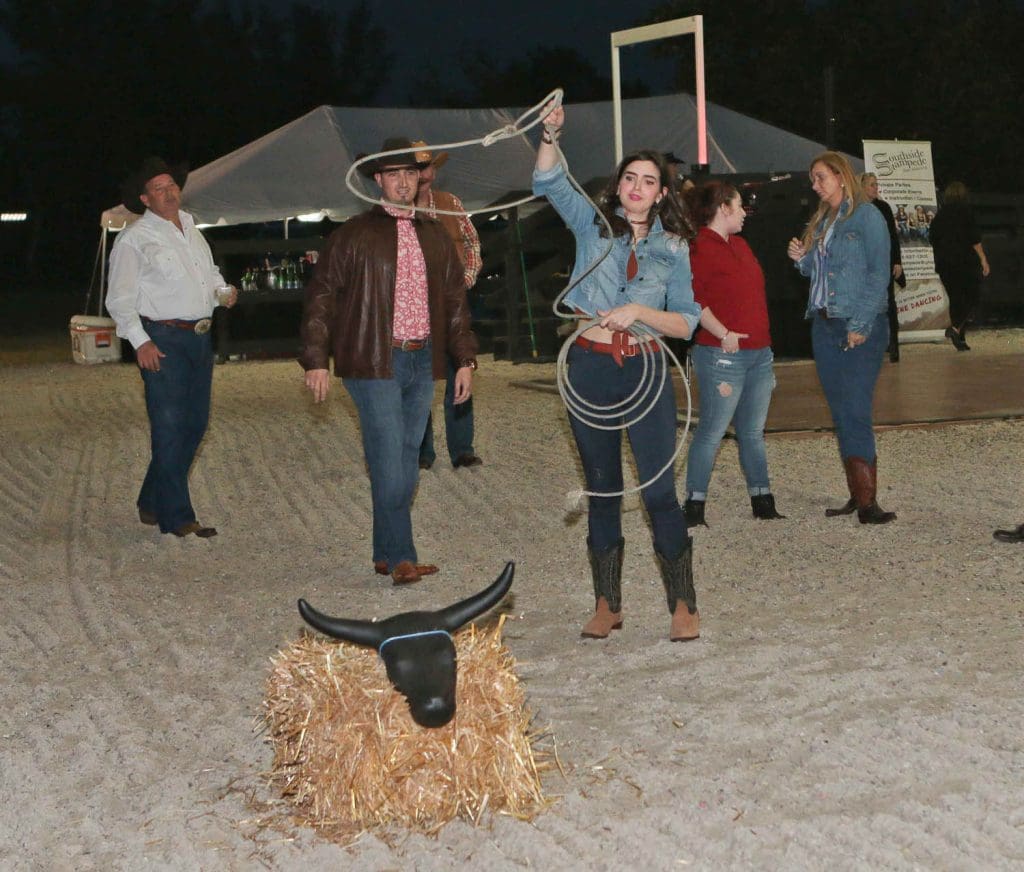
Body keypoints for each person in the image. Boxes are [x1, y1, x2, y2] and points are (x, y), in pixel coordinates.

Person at [534, 104, 703, 642]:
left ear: (661, 193)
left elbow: (686, 321)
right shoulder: (592, 227)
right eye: (630, 177)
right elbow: (549, 180)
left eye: (648, 181)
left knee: (658, 492)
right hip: (589, 368)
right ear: (618, 185)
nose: (637, 187)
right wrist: (550, 134)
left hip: (646, 371)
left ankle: (684, 604)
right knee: (602, 489)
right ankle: (607, 604)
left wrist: (639, 312)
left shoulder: (674, 248)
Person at [299, 137, 478, 586]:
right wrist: (316, 358)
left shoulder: (435, 235)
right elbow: (322, 297)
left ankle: (384, 552)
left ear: (420, 178)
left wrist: (465, 359)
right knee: (390, 460)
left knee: (404, 456)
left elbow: (455, 302)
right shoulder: (352, 235)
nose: (403, 182)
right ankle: (402, 557)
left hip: (423, 359)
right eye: (394, 174)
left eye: (410, 173)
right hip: (372, 359)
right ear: (378, 179)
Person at [106, 156, 238, 538]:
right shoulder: (133, 240)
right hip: (162, 339)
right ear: (144, 199)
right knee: (169, 426)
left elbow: (208, 274)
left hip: (199, 338)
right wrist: (140, 341)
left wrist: (222, 291)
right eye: (158, 188)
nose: (168, 193)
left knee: (194, 425)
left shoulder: (192, 229)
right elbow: (119, 299)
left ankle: (152, 499)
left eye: (172, 185)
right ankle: (178, 517)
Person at [787, 151, 896, 525]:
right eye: (813, 179)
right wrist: (802, 259)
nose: (815, 185)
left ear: (840, 176)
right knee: (841, 411)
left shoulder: (867, 216)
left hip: (858, 324)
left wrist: (860, 325)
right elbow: (819, 273)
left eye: (820, 177)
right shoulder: (823, 219)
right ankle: (858, 494)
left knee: (855, 409)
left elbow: (878, 275)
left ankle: (868, 503)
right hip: (824, 324)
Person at [682, 181, 784, 526]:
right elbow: (692, 299)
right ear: (723, 208)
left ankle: (762, 499)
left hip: (759, 353)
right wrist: (722, 333)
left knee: (752, 432)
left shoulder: (740, 244)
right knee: (712, 430)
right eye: (740, 206)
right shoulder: (698, 247)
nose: (744, 213)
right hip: (721, 354)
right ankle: (694, 505)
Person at [411, 142, 484, 470]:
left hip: (453, 302)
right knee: (418, 376)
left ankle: (462, 448)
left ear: (434, 171)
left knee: (460, 367)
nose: (423, 174)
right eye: (416, 168)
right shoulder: (398, 211)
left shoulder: (450, 203)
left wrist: (466, 278)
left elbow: (472, 243)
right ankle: (421, 449)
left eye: (427, 167)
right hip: (415, 306)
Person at [929, 181, 990, 352]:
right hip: (964, 263)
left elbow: (932, 238)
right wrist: (983, 259)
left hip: (944, 264)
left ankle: (960, 338)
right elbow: (975, 239)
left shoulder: (940, 216)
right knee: (972, 297)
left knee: (955, 299)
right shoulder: (966, 213)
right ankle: (956, 329)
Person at [861, 172, 905, 362]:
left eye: (876, 184)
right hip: (863, 264)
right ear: (862, 187)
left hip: (883, 263)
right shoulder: (856, 208)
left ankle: (893, 344)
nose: (875, 187)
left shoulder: (883, 207)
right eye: (871, 184)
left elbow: (893, 236)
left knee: (888, 303)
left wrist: (897, 261)